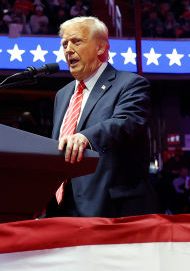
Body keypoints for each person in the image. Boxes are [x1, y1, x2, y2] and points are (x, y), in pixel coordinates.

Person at [50, 16, 153, 217]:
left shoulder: (130, 84)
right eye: (64, 43)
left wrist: (85, 137)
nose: (68, 49)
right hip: (62, 211)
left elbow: (126, 123)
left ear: (100, 47)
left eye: (76, 41)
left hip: (110, 209)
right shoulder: (62, 95)